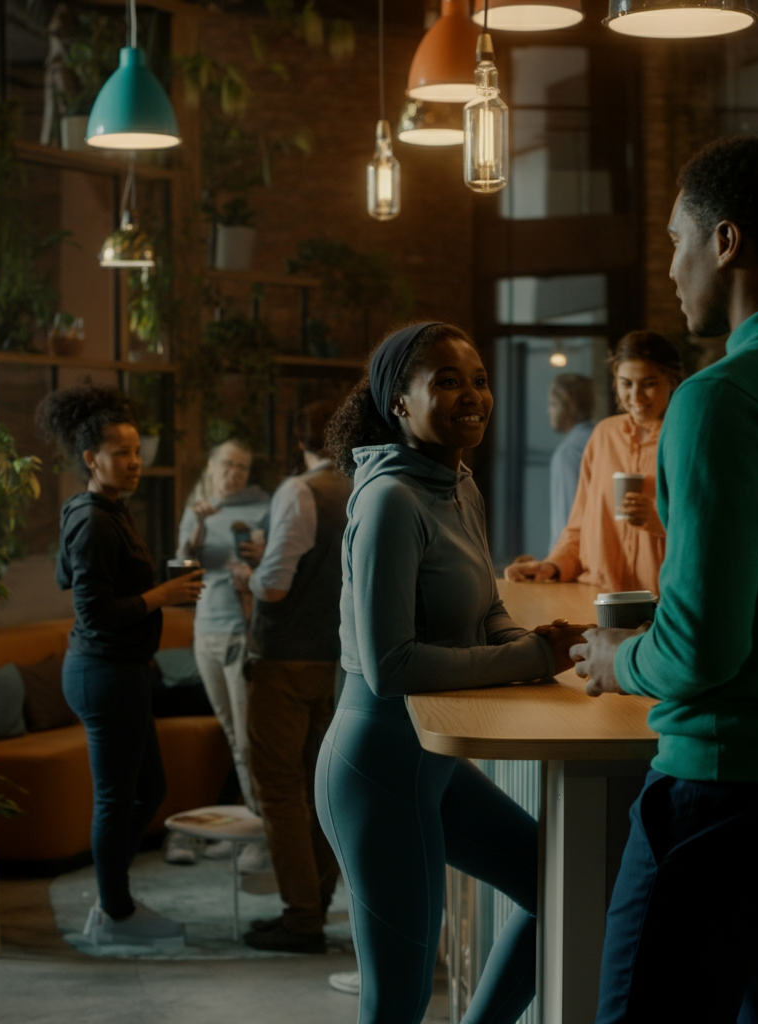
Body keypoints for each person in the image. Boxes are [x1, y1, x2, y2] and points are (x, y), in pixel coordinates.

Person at [572, 135, 758, 1023]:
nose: (671, 267)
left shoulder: (723, 395)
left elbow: (699, 647)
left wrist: (617, 661)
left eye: (675, 240)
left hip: (727, 790)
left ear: (724, 242)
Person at [315, 322, 589, 1024]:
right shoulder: (388, 503)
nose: (471, 394)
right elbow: (390, 666)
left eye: (478, 379)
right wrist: (530, 659)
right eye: (445, 379)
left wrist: (541, 640)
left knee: (557, 886)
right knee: (399, 1000)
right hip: (376, 766)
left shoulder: (458, 481)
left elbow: (487, 608)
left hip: (428, 763)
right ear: (400, 403)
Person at [37, 384, 204, 945]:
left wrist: (151, 586)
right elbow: (95, 610)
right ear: (91, 459)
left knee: (147, 788)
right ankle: (115, 912)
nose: (135, 464)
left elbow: (69, 577)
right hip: (104, 672)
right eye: (122, 454)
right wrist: (163, 594)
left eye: (138, 452)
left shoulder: (98, 509)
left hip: (120, 671)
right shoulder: (93, 519)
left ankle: (113, 897)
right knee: (119, 797)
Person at [230, 399, 351, 955]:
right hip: (337, 661)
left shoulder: (299, 491)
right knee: (320, 788)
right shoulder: (362, 489)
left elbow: (275, 586)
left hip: (284, 661)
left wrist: (247, 574)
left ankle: (301, 919)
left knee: (279, 789)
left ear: (299, 440)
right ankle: (317, 906)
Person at [507, 331, 683, 596]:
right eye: (626, 384)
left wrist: (658, 518)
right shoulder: (603, 435)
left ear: (671, 381)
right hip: (597, 597)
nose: (635, 397)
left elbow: (710, 534)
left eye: (648, 384)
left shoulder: (685, 437)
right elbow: (578, 528)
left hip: (662, 603)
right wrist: (552, 566)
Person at [174, 441, 269, 818]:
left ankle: (267, 828)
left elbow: (280, 567)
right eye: (228, 465)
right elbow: (183, 564)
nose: (234, 473)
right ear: (211, 467)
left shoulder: (263, 507)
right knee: (233, 735)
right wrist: (197, 524)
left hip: (243, 632)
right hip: (205, 632)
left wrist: (261, 558)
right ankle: (256, 823)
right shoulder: (198, 510)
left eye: (242, 468)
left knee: (249, 739)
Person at [547, 372, 595, 544]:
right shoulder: (602, 439)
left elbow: (567, 521)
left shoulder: (569, 452)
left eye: (552, 404)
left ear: (565, 405)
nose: (549, 411)